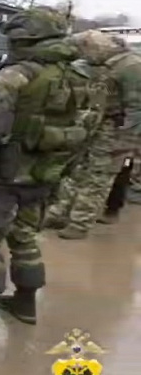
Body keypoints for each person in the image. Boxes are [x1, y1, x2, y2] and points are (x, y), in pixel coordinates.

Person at [0, 7, 90, 332]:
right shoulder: (78, 77)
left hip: (4, 176)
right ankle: (25, 304)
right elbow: (87, 128)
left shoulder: (16, 77)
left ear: (25, 39)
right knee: (25, 237)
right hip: (44, 174)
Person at [44, 31, 141, 238]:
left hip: (115, 130)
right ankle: (60, 213)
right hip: (95, 126)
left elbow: (137, 108)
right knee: (76, 171)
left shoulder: (130, 66)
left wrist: (126, 139)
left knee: (98, 177)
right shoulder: (106, 63)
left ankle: (80, 223)